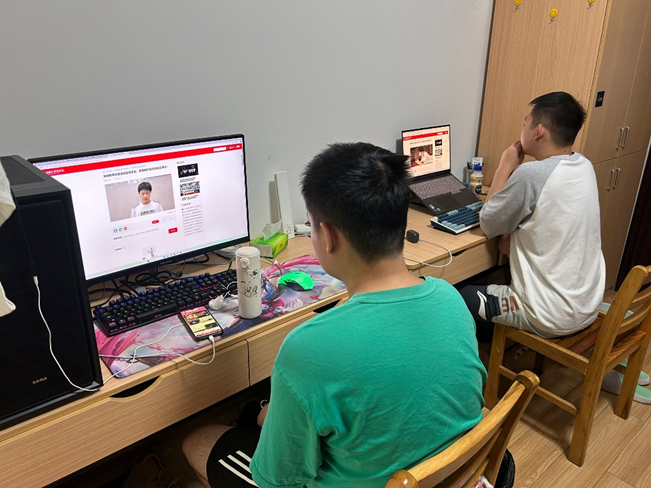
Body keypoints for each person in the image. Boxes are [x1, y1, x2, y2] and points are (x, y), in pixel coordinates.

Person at [182, 142, 487, 487]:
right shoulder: (449, 297)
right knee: (265, 413)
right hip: (454, 473)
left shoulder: (307, 350)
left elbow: (275, 480)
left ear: (327, 235)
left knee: (198, 440)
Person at [460, 91, 605, 339]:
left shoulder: (531, 174)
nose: (523, 129)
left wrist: (506, 165)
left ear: (538, 131)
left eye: (525, 123)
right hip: (586, 305)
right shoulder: (584, 166)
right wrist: (509, 231)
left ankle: (499, 351)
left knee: (455, 297)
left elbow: (487, 221)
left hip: (544, 313)